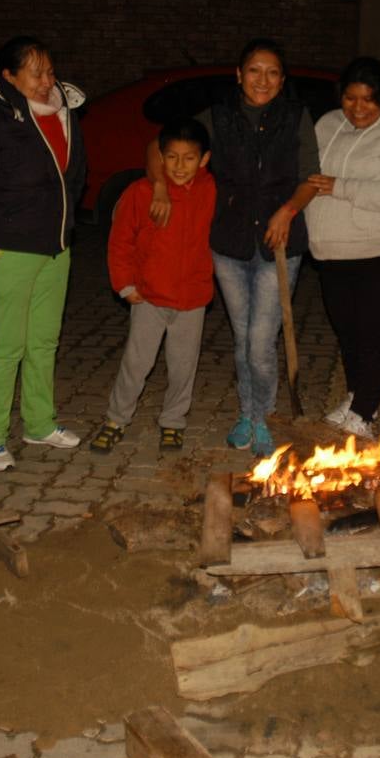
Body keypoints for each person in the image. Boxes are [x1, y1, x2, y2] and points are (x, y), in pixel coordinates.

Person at [146, 38, 320, 456]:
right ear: (239, 75)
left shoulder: (296, 117)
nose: (264, 80)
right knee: (243, 336)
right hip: (228, 243)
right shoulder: (217, 117)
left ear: (282, 79)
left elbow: (310, 178)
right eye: (255, 71)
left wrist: (288, 210)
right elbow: (158, 146)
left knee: (260, 341)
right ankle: (247, 414)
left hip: (279, 245)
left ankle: (264, 417)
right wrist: (160, 186)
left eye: (273, 72)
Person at [0, 35, 87, 472]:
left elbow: (74, 177)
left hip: (55, 249)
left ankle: (39, 422)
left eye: (49, 71)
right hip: (7, 251)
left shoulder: (64, 112)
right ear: (8, 77)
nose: (48, 81)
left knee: (44, 342)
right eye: (36, 73)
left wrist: (63, 226)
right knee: (6, 346)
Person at [305, 57, 380, 439]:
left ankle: (365, 414)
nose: (358, 108)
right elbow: (307, 174)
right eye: (350, 98)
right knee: (348, 334)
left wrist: (340, 186)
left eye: (367, 100)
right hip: (332, 255)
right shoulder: (326, 124)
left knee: (373, 336)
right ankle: (357, 396)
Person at [89, 119, 216, 453]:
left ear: (203, 160)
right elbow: (120, 242)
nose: (179, 166)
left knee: (183, 365)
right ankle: (116, 418)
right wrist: (124, 284)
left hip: (192, 299)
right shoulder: (141, 192)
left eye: (189, 158)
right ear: (160, 157)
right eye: (171, 157)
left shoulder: (211, 190)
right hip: (148, 297)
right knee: (136, 362)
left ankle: (173, 421)